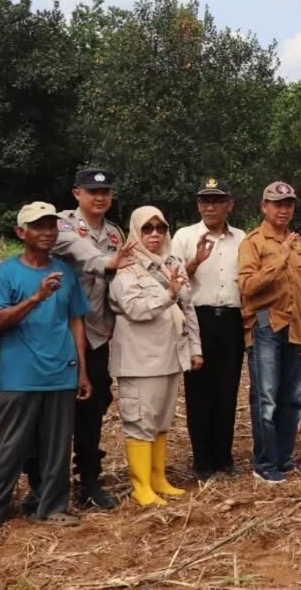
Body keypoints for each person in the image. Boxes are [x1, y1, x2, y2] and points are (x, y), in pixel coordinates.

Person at [0, 203, 91, 542]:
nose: (47, 231)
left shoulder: (65, 272)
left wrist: (82, 370)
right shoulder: (6, 273)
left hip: (61, 371)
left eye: (52, 225)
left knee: (57, 446)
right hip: (20, 373)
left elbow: (76, 320)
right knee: (8, 445)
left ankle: (51, 507)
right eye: (39, 226)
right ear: (22, 233)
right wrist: (35, 298)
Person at [51, 168, 134, 509]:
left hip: (97, 334)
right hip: (58, 332)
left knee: (93, 408)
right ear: (76, 194)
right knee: (54, 409)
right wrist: (109, 262)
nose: (99, 198)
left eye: (105, 192)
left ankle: (88, 480)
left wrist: (116, 319)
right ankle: (44, 484)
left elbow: (119, 282)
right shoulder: (61, 224)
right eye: (91, 192)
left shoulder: (115, 232)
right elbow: (82, 253)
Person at [109, 207, 200, 506]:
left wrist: (195, 349)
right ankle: (141, 486)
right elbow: (135, 308)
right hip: (140, 359)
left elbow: (188, 308)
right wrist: (168, 294)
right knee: (140, 422)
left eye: (160, 228)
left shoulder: (173, 262)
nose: (154, 234)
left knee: (161, 421)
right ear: (136, 230)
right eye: (147, 228)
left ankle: (158, 478)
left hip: (171, 354)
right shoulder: (127, 267)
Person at [238, 181, 301, 483]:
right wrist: (279, 259)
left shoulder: (299, 243)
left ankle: (284, 460)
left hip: (297, 329)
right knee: (266, 398)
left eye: (288, 204)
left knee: (293, 398)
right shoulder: (253, 243)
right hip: (265, 327)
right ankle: (264, 463)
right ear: (264, 207)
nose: (283, 209)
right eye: (276, 203)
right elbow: (246, 286)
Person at [172, 177, 246, 480]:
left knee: (227, 390)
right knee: (199, 392)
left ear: (229, 204)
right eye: (204, 201)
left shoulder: (242, 238)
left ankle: (223, 457)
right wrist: (195, 263)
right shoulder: (184, 236)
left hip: (231, 320)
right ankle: (202, 461)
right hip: (197, 318)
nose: (210, 206)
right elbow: (174, 282)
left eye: (217, 200)